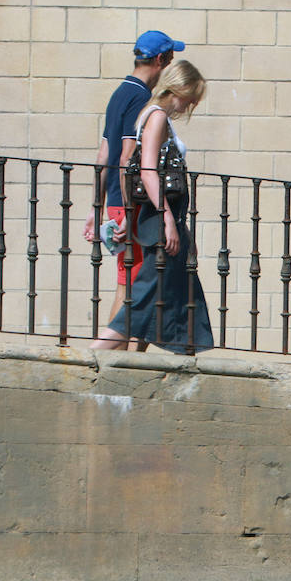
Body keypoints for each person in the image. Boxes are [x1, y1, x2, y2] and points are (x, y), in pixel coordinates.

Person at [91, 60, 213, 354]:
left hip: (156, 217)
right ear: (179, 89)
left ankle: (185, 352)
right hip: (158, 218)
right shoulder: (156, 116)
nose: (190, 105)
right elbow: (146, 171)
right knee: (145, 296)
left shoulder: (152, 115)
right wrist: (167, 219)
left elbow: (128, 165)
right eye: (191, 97)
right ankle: (91, 357)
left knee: (178, 287)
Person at [82, 29, 185, 350]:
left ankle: (120, 362)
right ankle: (112, 360)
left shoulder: (119, 94)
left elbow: (103, 156)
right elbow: (129, 157)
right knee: (134, 289)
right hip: (133, 206)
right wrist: (128, 212)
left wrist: (96, 207)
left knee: (126, 285)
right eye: (169, 60)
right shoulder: (140, 98)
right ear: (160, 60)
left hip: (115, 201)